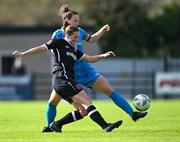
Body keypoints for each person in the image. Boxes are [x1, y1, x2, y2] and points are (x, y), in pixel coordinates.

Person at [42, 4, 147, 132]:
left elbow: (91, 39)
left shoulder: (79, 31)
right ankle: (49, 127)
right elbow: (53, 49)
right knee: (53, 102)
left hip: (85, 71)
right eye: (75, 21)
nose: (77, 23)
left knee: (109, 89)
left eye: (78, 21)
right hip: (68, 75)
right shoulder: (58, 34)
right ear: (67, 21)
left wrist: (102, 30)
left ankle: (133, 114)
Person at [12, 25, 123, 132]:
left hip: (66, 81)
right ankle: (105, 126)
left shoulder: (74, 49)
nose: (77, 39)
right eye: (75, 37)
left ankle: (56, 125)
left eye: (78, 37)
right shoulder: (59, 42)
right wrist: (22, 54)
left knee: (83, 111)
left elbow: (89, 59)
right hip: (62, 80)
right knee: (87, 102)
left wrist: (103, 56)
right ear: (68, 36)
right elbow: (41, 48)